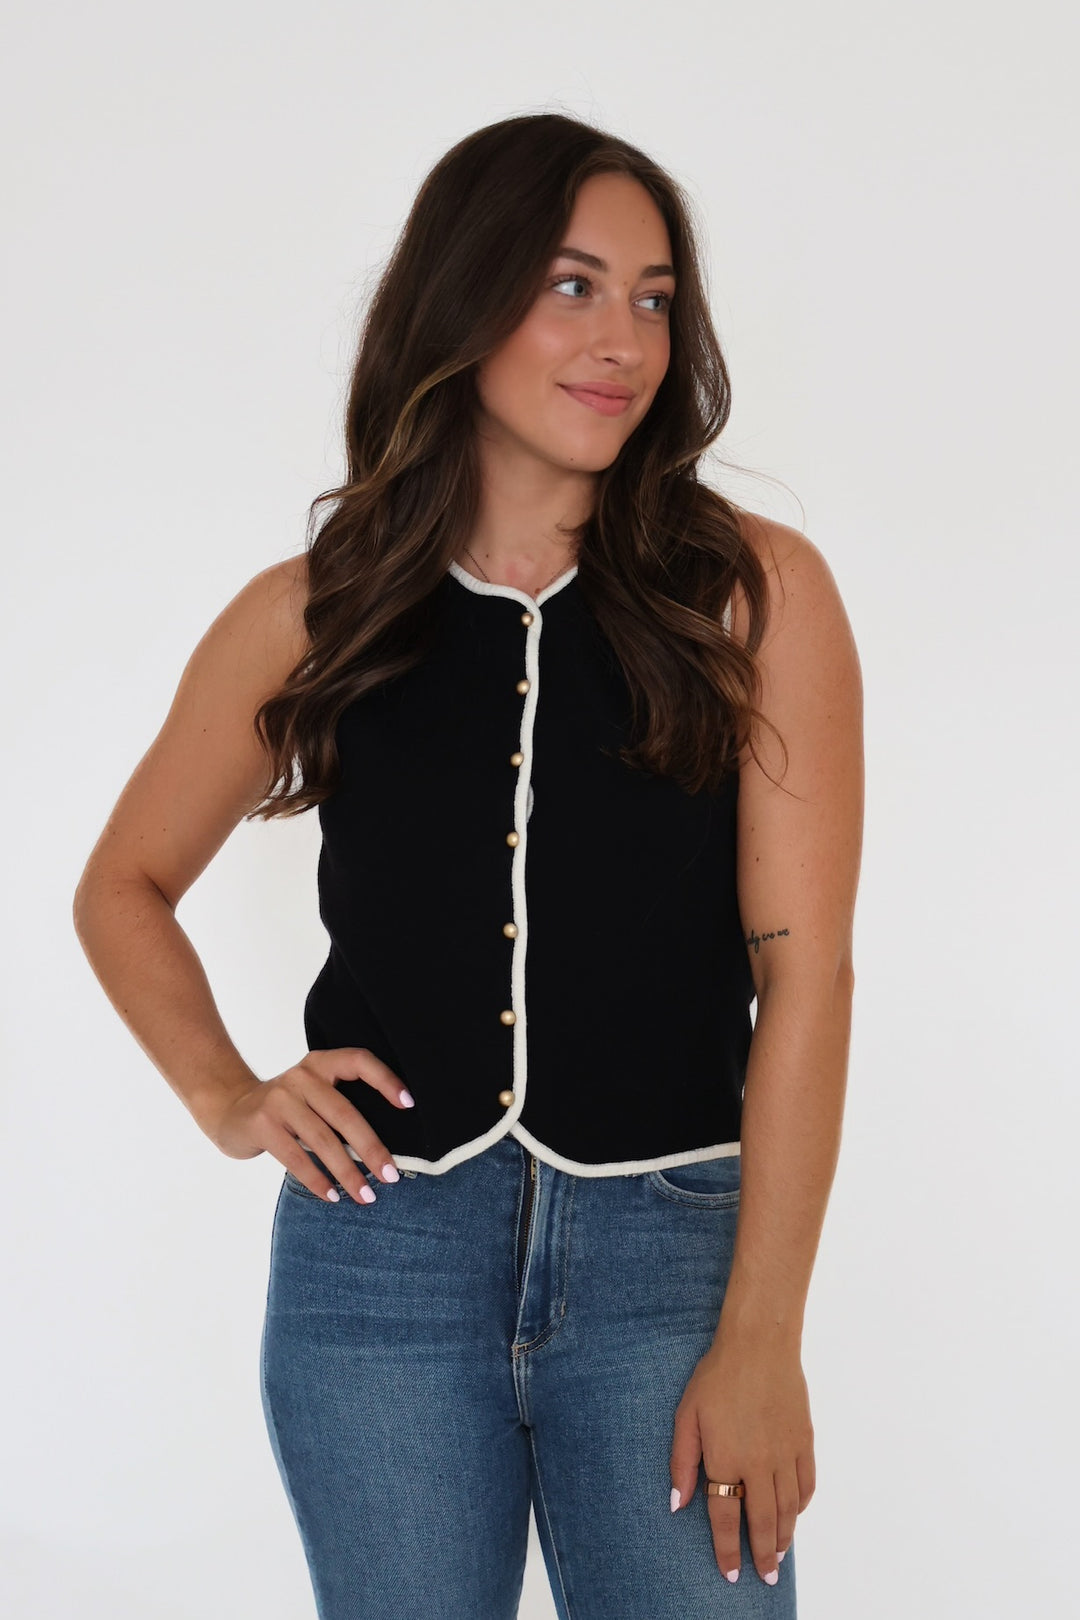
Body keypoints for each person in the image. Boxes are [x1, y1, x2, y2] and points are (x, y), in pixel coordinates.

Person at [73, 112, 863, 1620]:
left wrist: (763, 1334)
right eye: (572, 285)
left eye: (653, 298)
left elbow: (805, 975)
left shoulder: (754, 596)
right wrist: (229, 1096)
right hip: (380, 1268)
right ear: (464, 298)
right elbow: (123, 886)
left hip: (667, 1262)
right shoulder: (317, 608)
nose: (623, 339)